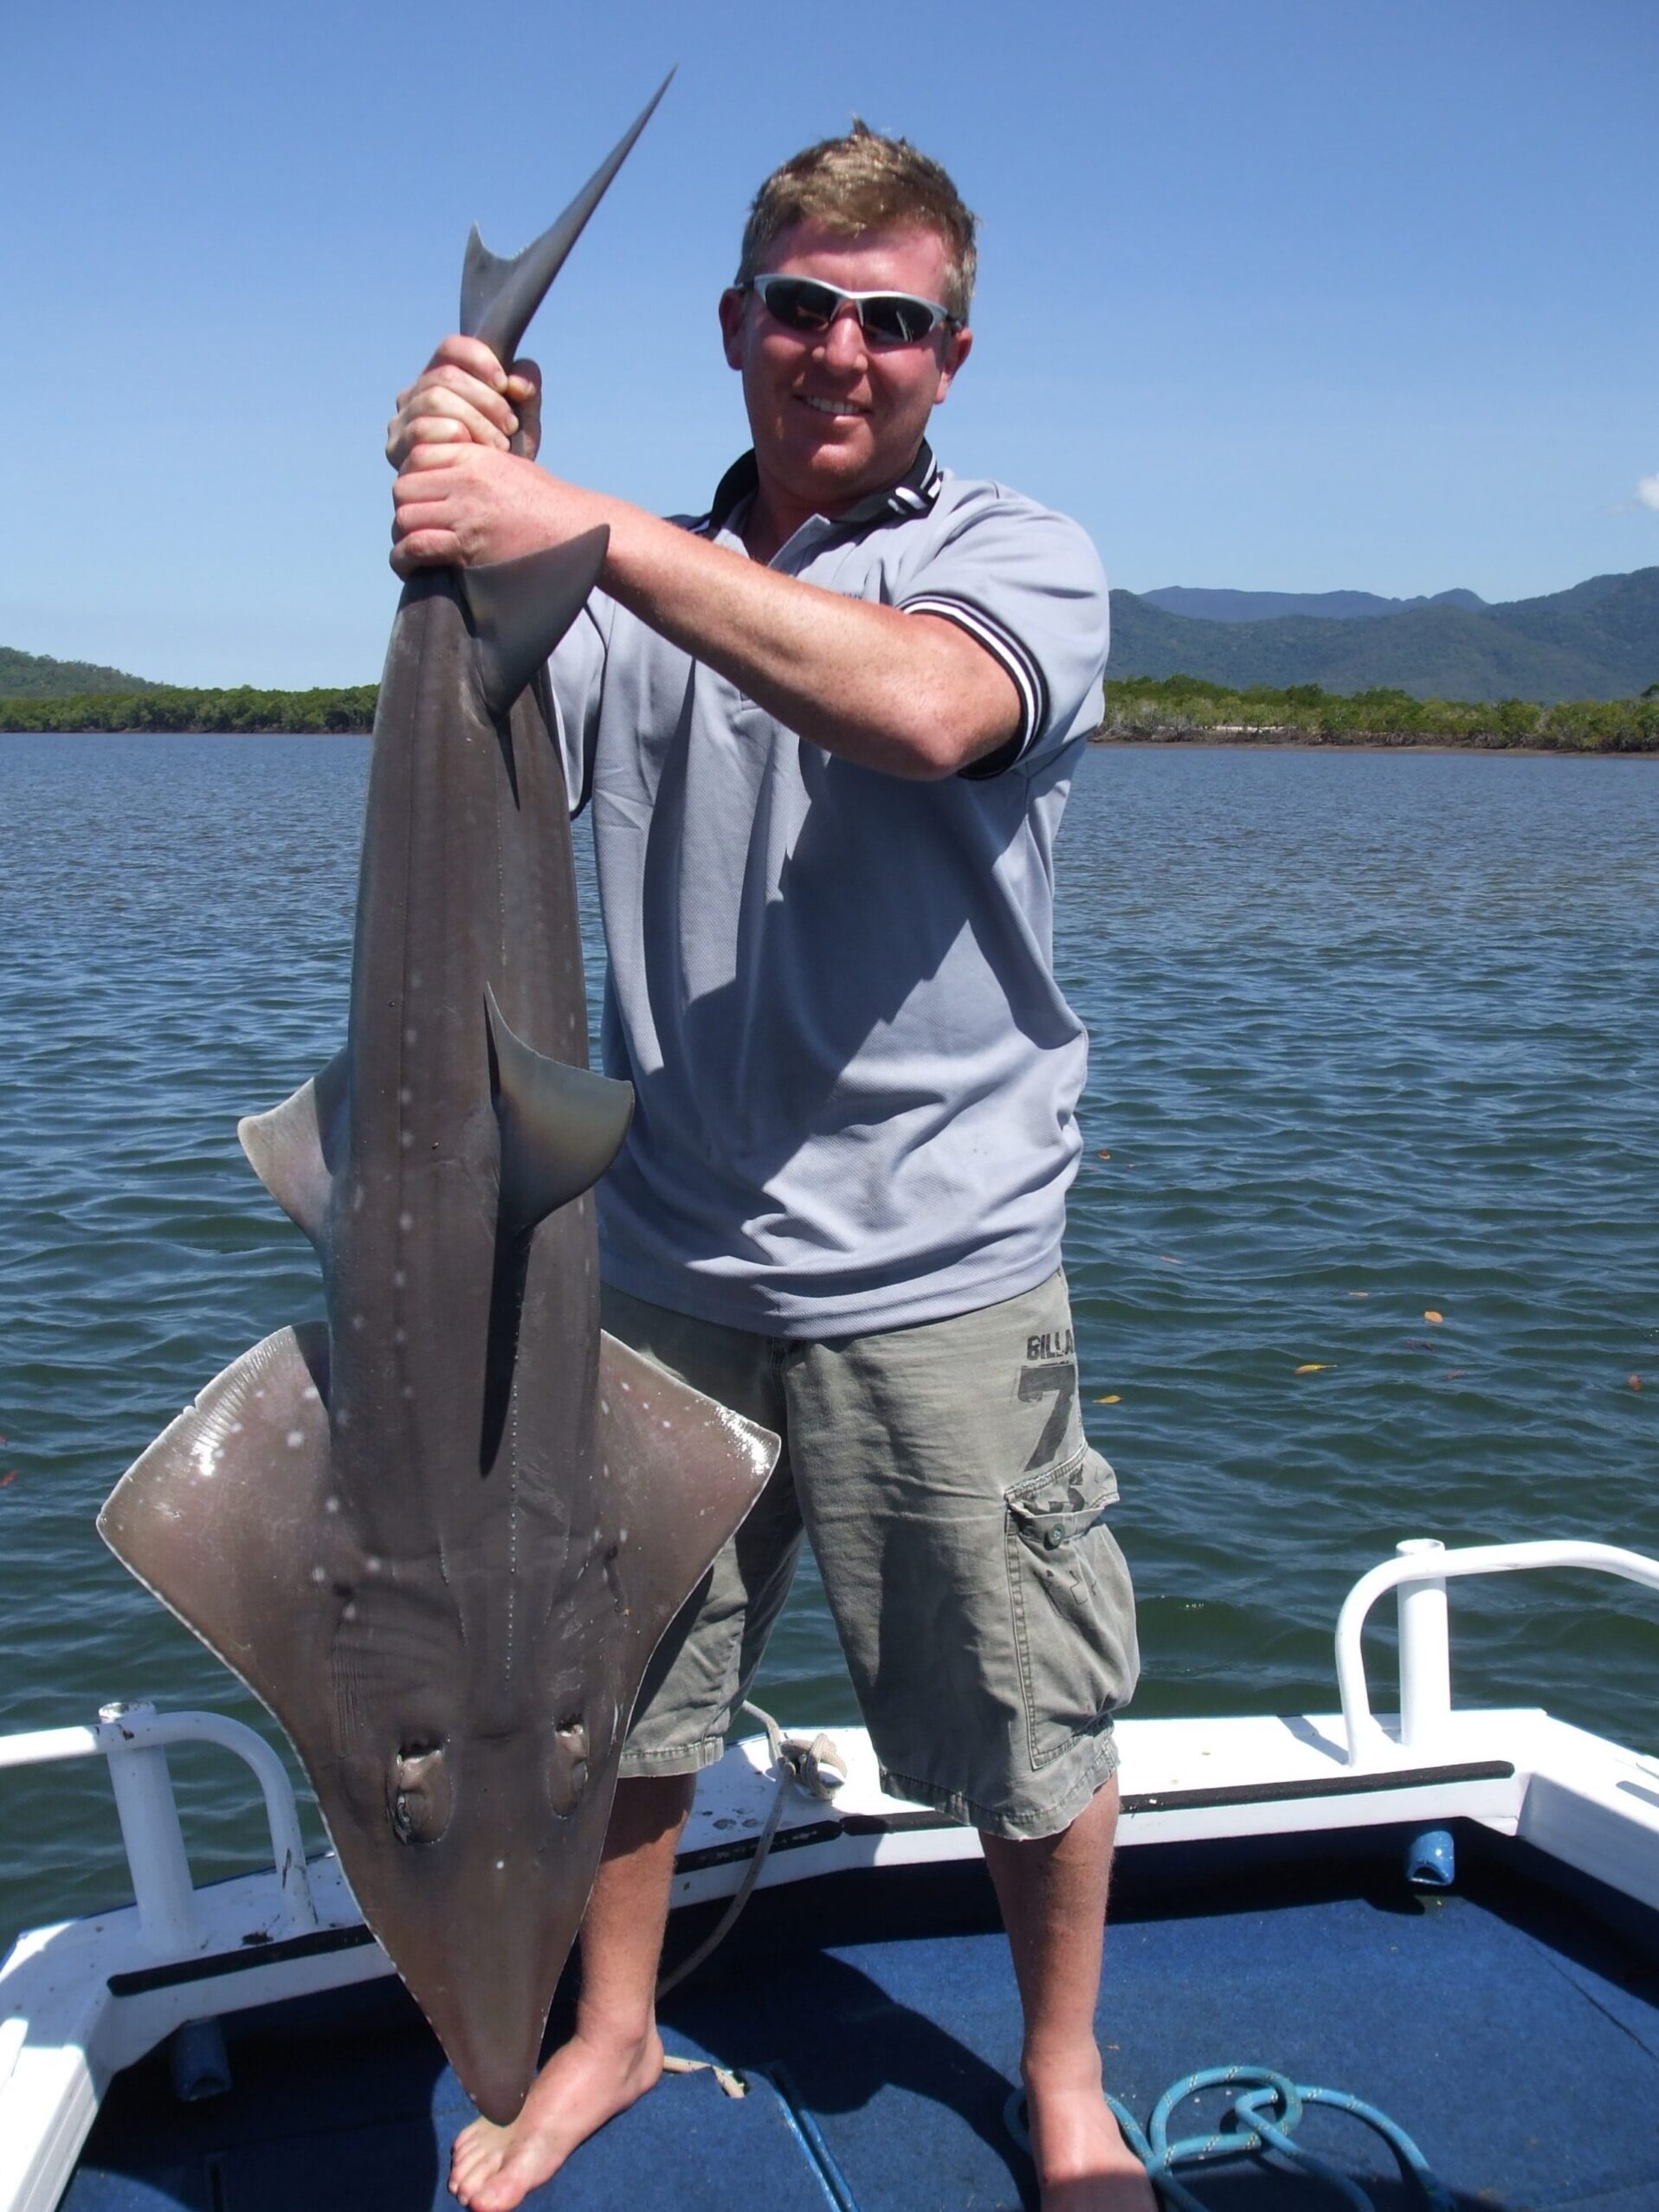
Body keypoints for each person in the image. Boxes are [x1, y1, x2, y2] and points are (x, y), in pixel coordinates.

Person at [385, 123, 1150, 2212]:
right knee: (622, 1689)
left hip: (945, 1273)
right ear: (736, 328)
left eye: (889, 320)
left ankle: (1065, 2079)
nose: (840, 351)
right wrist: (460, 484)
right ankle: (613, 2030)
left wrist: (583, 527)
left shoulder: (1016, 556)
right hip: (661, 1255)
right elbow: (462, 666)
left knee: (1023, 1706)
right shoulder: (614, 568)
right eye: (800, 308)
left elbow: (919, 712)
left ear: (949, 354)